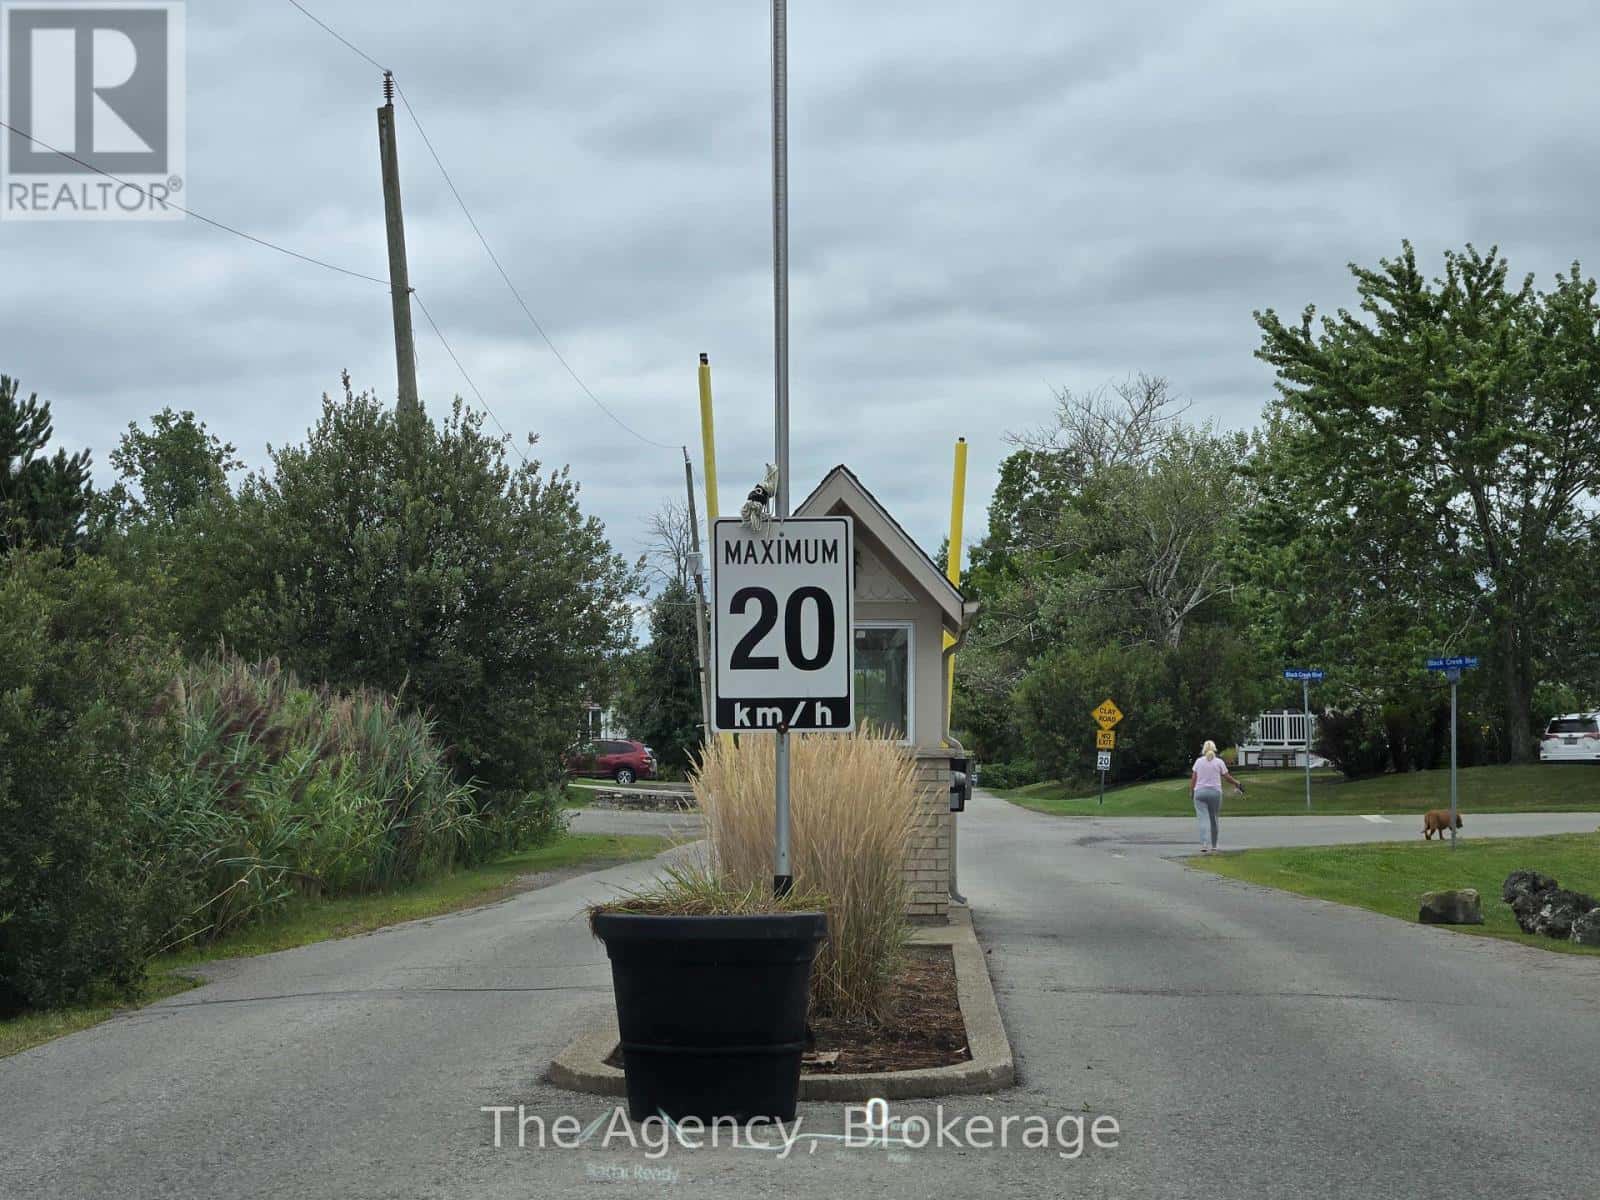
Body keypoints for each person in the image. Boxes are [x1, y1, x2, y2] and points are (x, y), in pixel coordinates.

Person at [1190, 740, 1243, 853]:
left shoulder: (1198, 762)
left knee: (1203, 819)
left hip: (1200, 793)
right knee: (1214, 819)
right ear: (1214, 749)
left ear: (1203, 750)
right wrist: (1236, 783)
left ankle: (1204, 844)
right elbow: (1227, 777)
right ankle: (1214, 845)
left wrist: (1192, 791)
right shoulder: (1219, 762)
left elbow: (1194, 778)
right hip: (1215, 793)